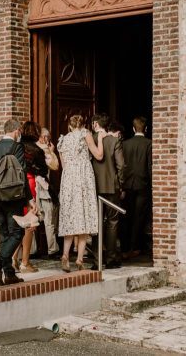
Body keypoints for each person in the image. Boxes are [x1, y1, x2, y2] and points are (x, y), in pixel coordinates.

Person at [56, 114, 103, 272]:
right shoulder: (86, 135)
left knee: (70, 217)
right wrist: (101, 139)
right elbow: (99, 155)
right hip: (83, 178)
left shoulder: (63, 140)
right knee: (83, 216)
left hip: (68, 179)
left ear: (69, 126)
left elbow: (63, 165)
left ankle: (65, 255)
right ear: (83, 125)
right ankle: (80, 259)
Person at [0, 119, 26, 286]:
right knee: (17, 233)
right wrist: (29, 199)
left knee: (4, 236)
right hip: (14, 198)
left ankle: (9, 274)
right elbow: (21, 174)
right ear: (16, 131)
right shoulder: (17, 148)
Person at [90, 115, 125, 268]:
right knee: (112, 222)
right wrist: (121, 184)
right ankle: (111, 259)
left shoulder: (89, 140)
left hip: (94, 187)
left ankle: (97, 260)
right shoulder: (114, 140)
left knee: (96, 222)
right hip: (112, 186)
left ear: (95, 124)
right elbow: (121, 166)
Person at [15, 121, 49, 273]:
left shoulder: (15, 147)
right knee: (30, 224)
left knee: (18, 222)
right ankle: (25, 262)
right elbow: (42, 171)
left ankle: (13, 258)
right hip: (28, 184)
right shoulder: (35, 150)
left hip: (15, 186)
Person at [121, 116, 152, 259]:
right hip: (143, 184)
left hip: (127, 184)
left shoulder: (125, 144)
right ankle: (135, 247)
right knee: (139, 217)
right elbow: (150, 166)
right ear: (146, 129)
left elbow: (121, 165)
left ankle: (125, 246)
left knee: (127, 216)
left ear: (133, 129)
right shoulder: (149, 144)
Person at [35, 127, 60, 259]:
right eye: (48, 137)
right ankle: (52, 249)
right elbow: (55, 166)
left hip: (33, 187)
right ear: (43, 137)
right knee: (49, 219)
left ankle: (32, 249)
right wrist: (52, 151)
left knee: (32, 219)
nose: (48, 140)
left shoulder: (31, 148)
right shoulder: (44, 149)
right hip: (43, 189)